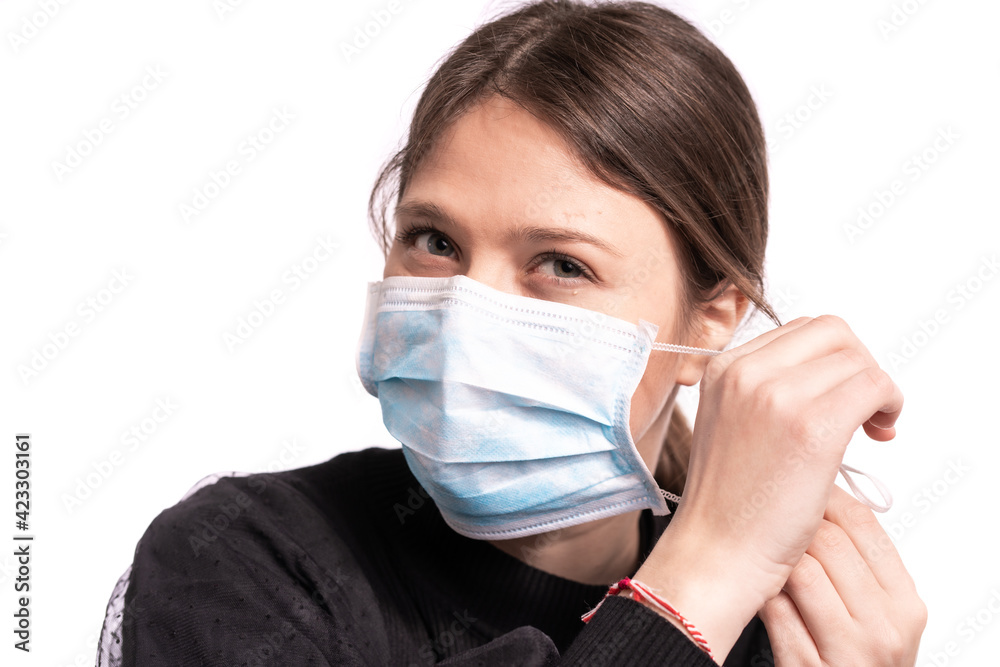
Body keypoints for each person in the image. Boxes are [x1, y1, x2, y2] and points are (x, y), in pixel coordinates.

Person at [97, 1, 927, 664]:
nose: (465, 310)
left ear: (711, 318)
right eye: (434, 241)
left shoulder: (799, 633)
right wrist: (697, 586)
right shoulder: (242, 563)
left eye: (561, 264)